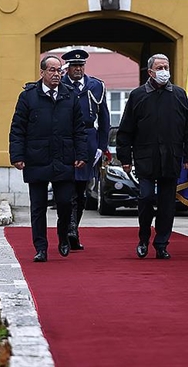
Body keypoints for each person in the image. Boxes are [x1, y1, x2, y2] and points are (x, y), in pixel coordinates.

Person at [116, 54, 188, 259]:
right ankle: (143, 238)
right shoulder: (138, 95)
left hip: (171, 157)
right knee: (145, 197)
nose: (164, 71)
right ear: (150, 72)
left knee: (167, 203)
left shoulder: (179, 95)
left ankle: (161, 243)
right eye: (160, 67)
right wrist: (125, 158)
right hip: (145, 157)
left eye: (166, 67)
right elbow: (126, 129)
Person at [10, 55, 88, 263]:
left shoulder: (70, 96)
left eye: (59, 70)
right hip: (37, 157)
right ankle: (41, 247)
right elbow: (17, 128)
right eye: (52, 70)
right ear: (42, 73)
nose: (56, 74)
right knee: (38, 206)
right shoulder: (28, 97)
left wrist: (81, 154)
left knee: (64, 203)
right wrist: (17, 155)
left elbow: (79, 129)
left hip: (63, 157)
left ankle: (63, 237)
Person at [61, 49, 110, 251]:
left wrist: (101, 145)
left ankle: (74, 228)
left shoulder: (96, 86)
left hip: (88, 139)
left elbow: (104, 117)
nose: (78, 69)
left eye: (81, 66)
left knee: (81, 190)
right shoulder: (60, 84)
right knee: (67, 188)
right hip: (66, 139)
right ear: (68, 68)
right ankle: (67, 229)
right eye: (74, 66)